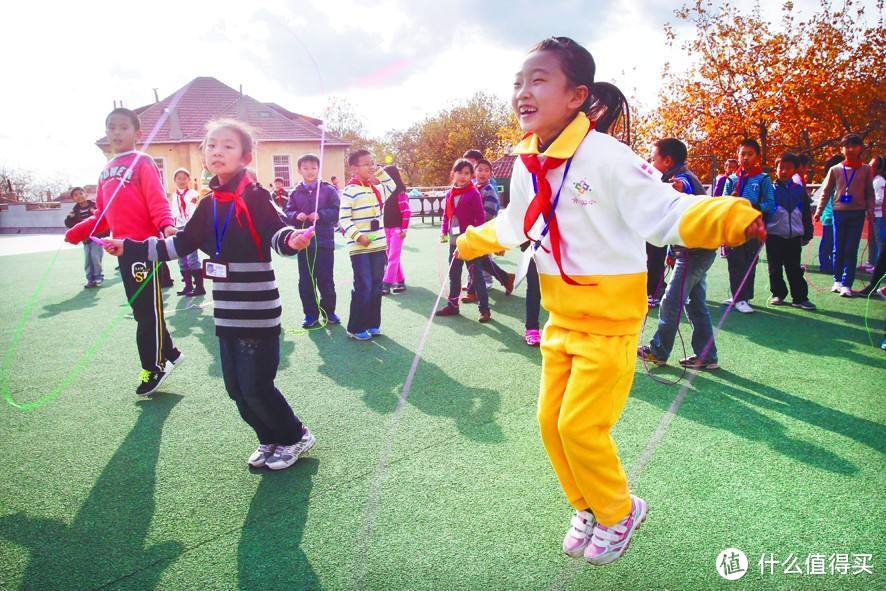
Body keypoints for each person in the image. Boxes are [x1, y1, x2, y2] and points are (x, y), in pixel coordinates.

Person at [455, 36, 764, 566]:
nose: (523, 92)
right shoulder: (528, 163)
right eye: (518, 82)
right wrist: (473, 241)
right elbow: (515, 222)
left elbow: (667, 211)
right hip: (561, 318)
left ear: (576, 96)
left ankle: (621, 511)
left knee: (581, 426)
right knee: (550, 423)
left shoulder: (608, 157)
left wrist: (729, 216)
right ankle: (589, 506)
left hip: (610, 323)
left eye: (538, 80)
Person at [102, 119, 315, 471]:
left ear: (245, 156)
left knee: (256, 384)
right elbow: (179, 244)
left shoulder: (255, 195)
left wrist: (292, 240)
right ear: (203, 155)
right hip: (227, 312)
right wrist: (130, 247)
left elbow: (278, 232)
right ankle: (268, 438)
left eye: (227, 146)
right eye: (211, 145)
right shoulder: (208, 203)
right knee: (235, 387)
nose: (217, 151)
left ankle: (294, 435)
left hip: (257, 308)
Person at [65, 107, 183, 396]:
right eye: (111, 127)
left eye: (123, 127)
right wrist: (80, 229)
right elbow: (102, 215)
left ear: (137, 134)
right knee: (143, 308)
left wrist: (166, 225)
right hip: (122, 251)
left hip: (144, 248)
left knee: (146, 311)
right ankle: (173, 352)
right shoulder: (105, 170)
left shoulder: (142, 162)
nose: (116, 133)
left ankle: (156, 365)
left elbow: (156, 199)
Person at [637, 138, 721, 369]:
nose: (650, 162)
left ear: (667, 161)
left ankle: (658, 350)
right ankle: (707, 356)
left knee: (671, 301)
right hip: (693, 251)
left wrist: (674, 187)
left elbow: (682, 186)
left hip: (695, 253)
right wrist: (673, 251)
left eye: (653, 158)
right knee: (695, 304)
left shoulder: (682, 179)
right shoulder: (682, 177)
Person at [339, 149, 398, 341]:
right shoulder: (349, 190)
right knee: (363, 285)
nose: (371, 166)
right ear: (354, 168)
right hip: (359, 248)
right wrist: (358, 236)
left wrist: (379, 172)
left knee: (376, 286)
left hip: (378, 246)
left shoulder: (376, 188)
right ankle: (355, 327)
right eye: (367, 164)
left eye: (373, 163)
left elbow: (392, 186)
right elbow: (344, 220)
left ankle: (373, 324)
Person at [813, 134, 876, 296]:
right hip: (839, 212)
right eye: (847, 146)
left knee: (851, 248)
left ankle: (847, 283)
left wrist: (870, 210)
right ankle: (837, 280)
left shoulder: (866, 169)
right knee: (838, 247)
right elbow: (825, 192)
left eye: (854, 146)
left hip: (857, 213)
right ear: (842, 148)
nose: (850, 149)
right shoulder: (836, 169)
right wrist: (819, 211)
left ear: (860, 148)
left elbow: (869, 191)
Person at [284, 154, 341, 328]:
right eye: (306, 168)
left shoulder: (328, 190)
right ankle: (310, 315)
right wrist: (296, 215)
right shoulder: (295, 192)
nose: (310, 171)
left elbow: (337, 211)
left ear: (319, 169)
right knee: (306, 280)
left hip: (324, 242)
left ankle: (329, 312)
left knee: (326, 279)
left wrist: (321, 214)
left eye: (314, 168)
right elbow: (287, 213)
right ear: (299, 170)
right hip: (304, 244)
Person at [722, 139, 776, 313]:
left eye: (749, 154)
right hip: (734, 226)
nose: (745, 158)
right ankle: (736, 296)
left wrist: (753, 207)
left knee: (748, 262)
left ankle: (744, 297)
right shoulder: (731, 178)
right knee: (734, 261)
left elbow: (770, 203)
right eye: (742, 154)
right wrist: (731, 198)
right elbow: (724, 201)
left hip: (753, 227)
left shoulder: (763, 179)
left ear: (757, 157)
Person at [436, 159, 492, 323]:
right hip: (453, 241)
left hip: (469, 242)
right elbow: (447, 216)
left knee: (477, 276)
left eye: (467, 173)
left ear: (471, 175)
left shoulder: (473, 193)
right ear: (453, 173)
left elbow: (480, 218)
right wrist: (444, 232)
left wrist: (471, 239)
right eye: (460, 172)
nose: (463, 176)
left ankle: (484, 309)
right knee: (454, 275)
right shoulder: (449, 193)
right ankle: (453, 305)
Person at [765, 154, 816, 310]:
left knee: (794, 267)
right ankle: (778, 293)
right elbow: (763, 212)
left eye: (788, 168)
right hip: (773, 236)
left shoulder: (800, 191)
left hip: (793, 237)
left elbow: (806, 214)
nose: (784, 171)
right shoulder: (770, 190)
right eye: (781, 168)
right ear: (776, 169)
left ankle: (800, 297)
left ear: (795, 170)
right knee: (774, 268)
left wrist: (808, 232)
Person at [171, 168, 206, 297]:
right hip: (178, 227)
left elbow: (194, 211)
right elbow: (174, 212)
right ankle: (187, 285)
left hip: (190, 227)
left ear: (189, 180)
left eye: (184, 178)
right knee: (181, 258)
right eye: (179, 178)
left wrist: (190, 226)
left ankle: (199, 287)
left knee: (192, 257)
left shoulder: (193, 194)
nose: (181, 181)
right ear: (175, 180)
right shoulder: (174, 195)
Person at [64, 186, 106, 288]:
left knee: (95, 257)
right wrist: (70, 218)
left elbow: (103, 218)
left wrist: (95, 212)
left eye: (80, 193)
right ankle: (90, 279)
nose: (79, 196)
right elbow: (71, 225)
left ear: (86, 195)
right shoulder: (75, 211)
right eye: (75, 195)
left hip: (97, 237)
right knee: (88, 259)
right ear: (73, 199)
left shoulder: (95, 206)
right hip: (85, 239)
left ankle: (98, 277)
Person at [381, 165, 411, 295]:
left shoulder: (401, 193)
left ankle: (386, 283)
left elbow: (406, 212)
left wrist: (404, 228)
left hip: (398, 230)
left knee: (393, 256)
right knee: (391, 256)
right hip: (386, 228)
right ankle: (401, 281)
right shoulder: (384, 192)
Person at [814, 154, 844, 274]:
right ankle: (825, 264)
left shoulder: (837, 177)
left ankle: (830, 263)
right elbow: (823, 196)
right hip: (830, 215)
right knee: (828, 241)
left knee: (832, 241)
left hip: (834, 214)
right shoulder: (831, 177)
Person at [866, 156, 885, 269]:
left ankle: (879, 265)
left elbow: (880, 200)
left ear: (878, 168)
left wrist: (867, 201)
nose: (868, 167)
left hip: (879, 216)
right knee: (872, 240)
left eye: (871, 165)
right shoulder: (873, 180)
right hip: (873, 215)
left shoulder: (879, 181)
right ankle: (872, 262)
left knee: (879, 240)